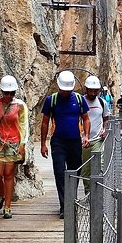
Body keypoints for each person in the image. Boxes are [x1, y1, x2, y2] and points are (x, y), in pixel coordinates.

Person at [40, 70, 90, 219]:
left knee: (75, 173)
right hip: (58, 143)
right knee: (60, 173)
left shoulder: (80, 100)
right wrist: (43, 144)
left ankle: (71, 200)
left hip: (75, 141)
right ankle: (64, 206)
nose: (66, 92)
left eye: (68, 90)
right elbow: (44, 122)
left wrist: (86, 135)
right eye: (63, 89)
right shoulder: (52, 100)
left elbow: (86, 119)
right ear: (59, 87)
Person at [0, 75, 29, 219]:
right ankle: (2, 195)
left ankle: (7, 207)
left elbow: (24, 125)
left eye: (12, 93)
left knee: (8, 174)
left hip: (13, 143)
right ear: (1, 92)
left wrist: (23, 144)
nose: (9, 96)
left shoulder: (20, 106)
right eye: (6, 93)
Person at [81, 76, 110, 193]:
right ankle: (88, 193)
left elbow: (106, 118)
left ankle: (98, 192)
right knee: (86, 169)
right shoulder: (80, 101)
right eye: (91, 90)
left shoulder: (102, 102)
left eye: (95, 90)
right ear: (86, 89)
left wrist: (104, 129)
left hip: (97, 139)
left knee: (99, 166)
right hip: (83, 141)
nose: (93, 93)